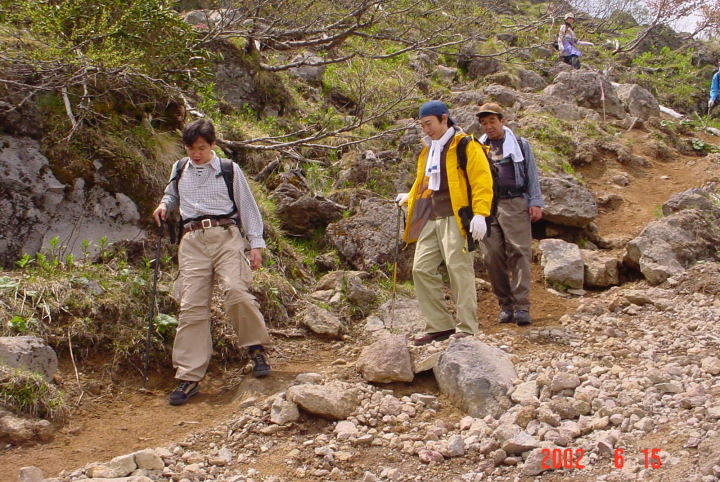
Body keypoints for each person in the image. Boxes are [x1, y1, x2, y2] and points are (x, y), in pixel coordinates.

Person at [153, 119, 271, 406]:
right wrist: (164, 206)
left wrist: (255, 244)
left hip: (226, 235)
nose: (196, 154)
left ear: (213, 145)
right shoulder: (180, 168)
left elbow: (248, 206)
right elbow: (172, 194)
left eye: (202, 148)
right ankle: (189, 376)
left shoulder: (229, 170)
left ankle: (256, 349)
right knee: (191, 305)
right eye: (191, 148)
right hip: (192, 240)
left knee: (236, 291)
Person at [396, 100, 494, 346]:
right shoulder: (429, 149)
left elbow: (482, 181)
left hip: (456, 216)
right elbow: (425, 180)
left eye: (429, 124)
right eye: (422, 125)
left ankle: (467, 327)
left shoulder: (466, 145)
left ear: (444, 118)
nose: (426, 129)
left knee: (458, 268)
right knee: (420, 269)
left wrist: (481, 213)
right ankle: (440, 325)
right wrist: (411, 196)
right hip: (431, 216)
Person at [476, 103, 544, 326]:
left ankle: (522, 305)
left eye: (492, 121)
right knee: (491, 255)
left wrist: (535, 202)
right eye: (484, 123)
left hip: (515, 201)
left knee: (519, 252)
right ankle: (505, 304)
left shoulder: (521, 145)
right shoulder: (477, 148)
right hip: (488, 205)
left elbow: (531, 174)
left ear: (502, 121)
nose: (488, 127)